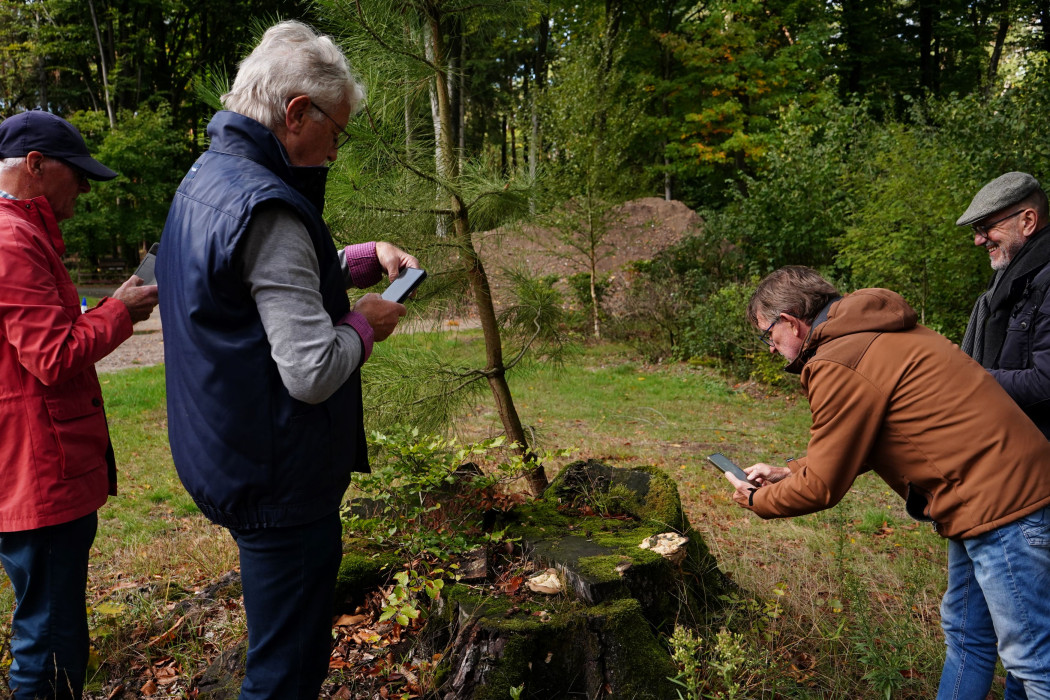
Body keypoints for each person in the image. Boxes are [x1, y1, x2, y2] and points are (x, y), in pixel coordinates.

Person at [156, 21, 418, 700]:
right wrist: (368, 322)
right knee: (286, 672)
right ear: (297, 112)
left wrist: (361, 259)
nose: (338, 147)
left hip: (229, 451)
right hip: (278, 477)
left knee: (280, 648)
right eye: (338, 128)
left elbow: (260, 289)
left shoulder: (211, 178)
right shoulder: (268, 208)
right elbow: (309, 371)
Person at [725, 266, 1050, 700]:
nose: (769, 347)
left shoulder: (838, 360)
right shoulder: (877, 331)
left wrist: (755, 499)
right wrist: (788, 470)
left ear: (790, 321)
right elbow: (861, 439)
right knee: (969, 638)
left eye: (767, 334)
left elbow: (823, 486)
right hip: (984, 498)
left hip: (1003, 506)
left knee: (1033, 663)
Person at [0, 111, 159, 699]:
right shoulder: (11, 238)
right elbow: (52, 357)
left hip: (34, 469)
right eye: (80, 174)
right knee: (47, 640)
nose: (87, 188)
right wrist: (121, 314)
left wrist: (106, 307)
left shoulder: (21, 233)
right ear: (36, 166)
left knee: (52, 624)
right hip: (39, 476)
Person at [958, 171, 1050, 438]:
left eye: (986, 228)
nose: (978, 239)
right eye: (977, 230)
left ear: (1028, 221)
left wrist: (970, 377)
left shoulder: (1044, 283)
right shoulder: (1011, 283)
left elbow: (1046, 383)